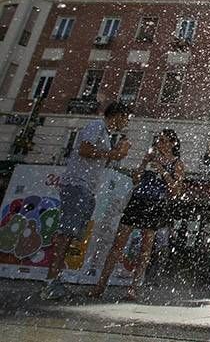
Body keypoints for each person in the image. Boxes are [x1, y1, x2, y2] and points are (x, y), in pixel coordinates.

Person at [41, 102, 132, 300]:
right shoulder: (96, 126)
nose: (126, 122)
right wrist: (112, 153)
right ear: (116, 115)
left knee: (71, 234)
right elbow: (84, 149)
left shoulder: (106, 134)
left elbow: (99, 158)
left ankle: (55, 280)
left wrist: (116, 152)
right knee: (65, 234)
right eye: (125, 118)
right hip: (77, 185)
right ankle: (50, 282)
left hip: (86, 189)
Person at [89, 129, 185, 300]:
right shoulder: (150, 158)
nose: (158, 144)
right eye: (157, 140)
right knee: (117, 245)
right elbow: (136, 180)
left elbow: (176, 190)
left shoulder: (176, 163)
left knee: (145, 250)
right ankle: (101, 285)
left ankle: (133, 288)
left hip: (155, 204)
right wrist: (143, 165)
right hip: (137, 200)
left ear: (172, 144)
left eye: (163, 141)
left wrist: (162, 171)